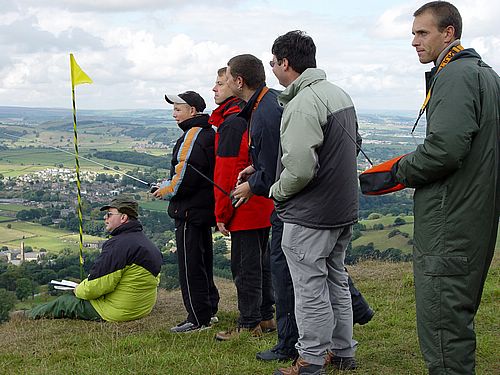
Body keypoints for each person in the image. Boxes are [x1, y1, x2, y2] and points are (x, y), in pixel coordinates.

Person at [392, 2, 500, 374]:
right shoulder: (486, 74)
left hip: (449, 221)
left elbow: (445, 151)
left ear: (448, 33)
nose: (414, 42)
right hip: (474, 216)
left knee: (443, 327)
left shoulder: (455, 75)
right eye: (413, 33)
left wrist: (401, 170)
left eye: (422, 33)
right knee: (455, 317)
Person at [269, 31, 360, 374]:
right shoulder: (338, 93)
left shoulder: (303, 103)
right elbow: (353, 144)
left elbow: (301, 169)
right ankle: (342, 352)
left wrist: (277, 191)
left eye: (274, 63)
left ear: (285, 63)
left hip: (310, 214)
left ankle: (310, 359)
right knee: (335, 279)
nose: (273, 69)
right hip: (342, 208)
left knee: (309, 288)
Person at [209, 67, 275, 340]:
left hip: (243, 204)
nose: (214, 88)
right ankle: (266, 316)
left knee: (244, 267)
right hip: (263, 202)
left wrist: (221, 212)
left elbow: (226, 171)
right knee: (261, 264)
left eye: (220, 83)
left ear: (236, 84)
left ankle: (249, 324)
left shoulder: (232, 122)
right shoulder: (250, 113)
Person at [29, 195, 163, 322]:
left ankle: (27, 316)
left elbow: (96, 287)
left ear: (123, 217)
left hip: (120, 311)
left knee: (64, 302)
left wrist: (77, 290)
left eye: (109, 214)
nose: (105, 218)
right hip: (142, 307)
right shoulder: (146, 242)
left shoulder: (118, 245)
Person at [153, 91, 220, 333]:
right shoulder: (207, 132)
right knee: (203, 261)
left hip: (190, 211)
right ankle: (208, 309)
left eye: (178, 109)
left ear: (193, 111)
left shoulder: (192, 135)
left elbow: (183, 177)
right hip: (203, 209)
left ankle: (197, 317)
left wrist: (164, 191)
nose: (174, 114)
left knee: (190, 265)